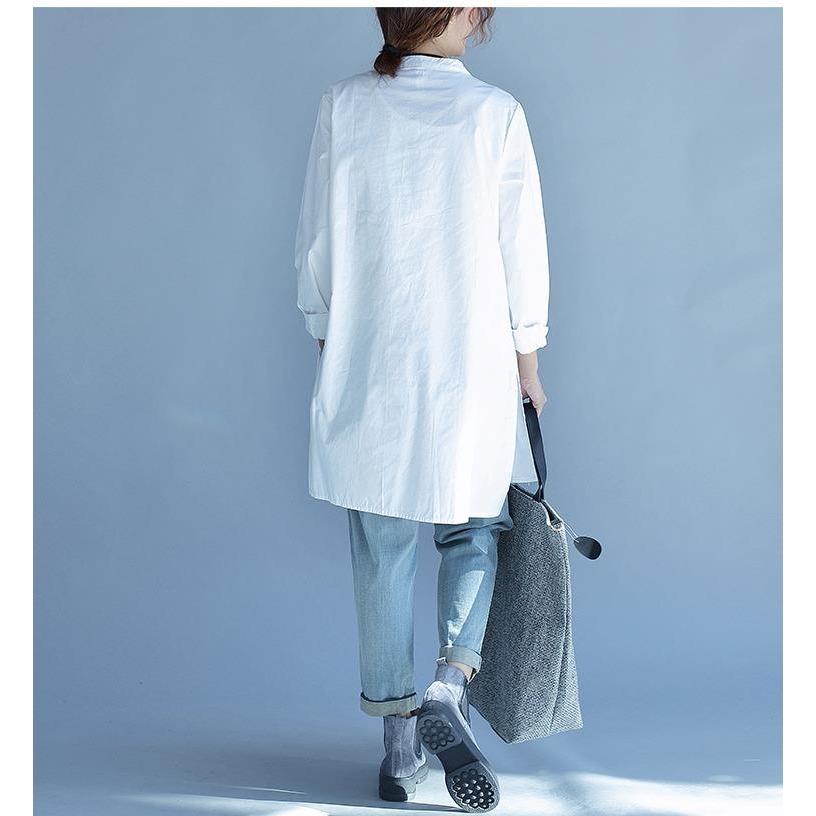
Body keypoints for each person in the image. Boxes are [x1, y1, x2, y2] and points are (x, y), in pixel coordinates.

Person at [294, 7, 549, 812]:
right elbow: (520, 248)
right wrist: (528, 357)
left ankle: (400, 748)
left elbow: (317, 238)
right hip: (471, 357)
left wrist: (326, 332)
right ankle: (449, 685)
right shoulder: (494, 113)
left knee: (381, 545)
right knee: (474, 526)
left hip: (370, 349)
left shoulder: (344, 104)